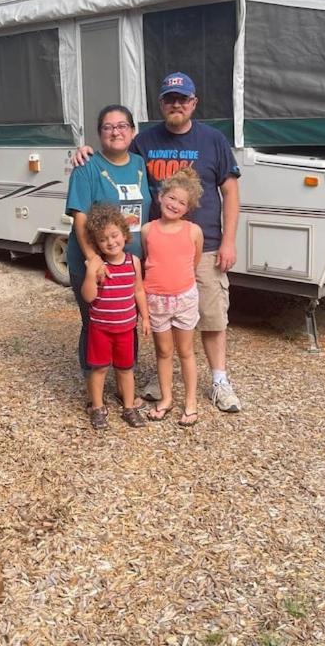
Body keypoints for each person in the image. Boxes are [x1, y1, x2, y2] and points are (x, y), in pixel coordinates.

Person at [72, 73, 241, 413]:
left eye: (183, 99)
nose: (176, 104)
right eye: (169, 99)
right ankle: (152, 381)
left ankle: (220, 379)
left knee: (210, 316)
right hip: (154, 249)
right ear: (161, 104)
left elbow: (231, 191)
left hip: (204, 243)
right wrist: (82, 151)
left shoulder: (213, 140)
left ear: (194, 103)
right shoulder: (143, 143)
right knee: (154, 315)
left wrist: (228, 241)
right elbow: (112, 155)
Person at [65, 105, 150, 406]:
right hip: (96, 266)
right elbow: (80, 217)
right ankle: (95, 395)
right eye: (108, 127)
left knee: (127, 323)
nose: (116, 131)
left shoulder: (140, 164)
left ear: (132, 131)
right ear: (99, 133)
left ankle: (125, 389)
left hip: (131, 265)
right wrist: (92, 260)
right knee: (95, 326)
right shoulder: (86, 166)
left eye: (122, 125)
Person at [142, 168, 203, 426]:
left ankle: (191, 402)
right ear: (161, 196)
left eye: (181, 202)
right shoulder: (147, 230)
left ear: (188, 208)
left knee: (186, 351)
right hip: (156, 299)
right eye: (171, 198)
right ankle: (166, 398)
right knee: (163, 351)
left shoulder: (193, 231)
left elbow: (194, 262)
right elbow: (149, 258)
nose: (174, 204)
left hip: (184, 298)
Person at [81, 204, 150, 430]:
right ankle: (98, 408)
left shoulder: (133, 261)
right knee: (99, 369)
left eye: (114, 235)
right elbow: (89, 297)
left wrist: (146, 318)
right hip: (101, 328)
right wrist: (91, 272)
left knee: (126, 369)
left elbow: (138, 290)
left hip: (126, 328)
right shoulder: (98, 265)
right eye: (103, 239)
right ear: (96, 243)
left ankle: (129, 408)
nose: (110, 242)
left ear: (124, 233)